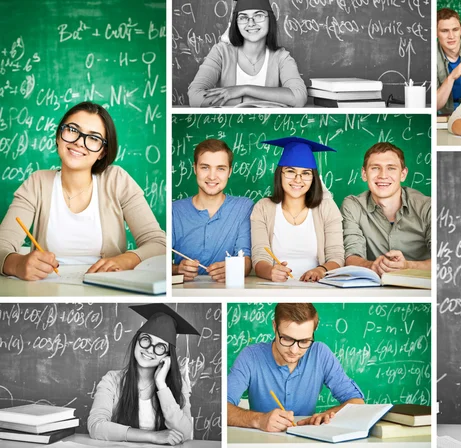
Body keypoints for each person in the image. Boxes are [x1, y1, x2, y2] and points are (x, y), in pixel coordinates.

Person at [0, 101, 166, 281]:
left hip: (107, 289)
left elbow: (159, 244)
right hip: (45, 290)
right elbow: (3, 246)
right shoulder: (37, 182)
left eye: (94, 138)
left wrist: (126, 260)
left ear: (102, 152)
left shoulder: (117, 180)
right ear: (58, 136)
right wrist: (16, 264)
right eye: (72, 130)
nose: (80, 142)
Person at [227, 303, 365, 432]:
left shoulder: (320, 353)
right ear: (275, 327)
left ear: (313, 332)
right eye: (287, 339)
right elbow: (221, 407)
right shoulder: (250, 356)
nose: (294, 350)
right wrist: (258, 420)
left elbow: (357, 402)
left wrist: (329, 414)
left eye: (304, 341)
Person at [88, 304, 200, 445]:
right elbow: (96, 427)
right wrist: (153, 436)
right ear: (136, 341)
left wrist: (161, 385)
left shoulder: (178, 385)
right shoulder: (112, 380)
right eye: (146, 339)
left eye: (160, 347)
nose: (150, 350)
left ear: (167, 355)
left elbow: (185, 433)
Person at [251, 137, 344, 283]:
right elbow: (259, 256)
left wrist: (320, 270)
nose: (298, 179)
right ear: (279, 174)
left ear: (313, 178)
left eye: (306, 173)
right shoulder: (263, 208)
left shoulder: (327, 208)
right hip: (273, 287)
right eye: (290, 171)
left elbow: (336, 256)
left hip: (316, 287)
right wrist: (271, 272)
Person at [187, 0, 307, 107]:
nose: (251, 23)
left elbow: (299, 97)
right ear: (236, 23)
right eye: (243, 17)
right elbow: (195, 97)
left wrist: (244, 89)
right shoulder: (221, 52)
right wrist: (255, 100)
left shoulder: (281, 57)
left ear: (270, 19)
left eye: (259, 15)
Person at [342, 143, 430, 276]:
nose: (383, 175)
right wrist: (373, 266)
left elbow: (444, 259)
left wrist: (407, 266)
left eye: (391, 168)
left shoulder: (427, 207)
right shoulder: (353, 206)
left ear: (403, 174)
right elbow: (351, 256)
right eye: (375, 168)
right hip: (373, 291)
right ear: (364, 174)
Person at [172, 139, 253, 282]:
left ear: (229, 172)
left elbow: (246, 259)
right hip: (184, 291)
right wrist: (176, 269)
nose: (212, 176)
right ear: (195, 168)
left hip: (226, 291)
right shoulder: (174, 210)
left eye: (220, 168)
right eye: (205, 167)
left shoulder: (243, 207)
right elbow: (160, 262)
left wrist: (236, 269)